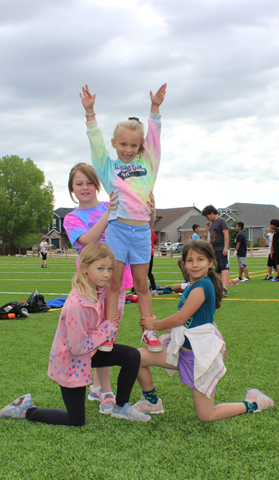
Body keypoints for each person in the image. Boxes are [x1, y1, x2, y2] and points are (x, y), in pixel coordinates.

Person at [0, 243, 151, 425]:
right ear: (85, 269)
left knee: (132, 356)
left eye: (110, 268)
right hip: (71, 360)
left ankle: (121, 406)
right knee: (76, 420)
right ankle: (26, 409)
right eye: (100, 268)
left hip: (90, 353)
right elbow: (78, 348)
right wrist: (107, 327)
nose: (107, 274)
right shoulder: (78, 304)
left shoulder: (96, 290)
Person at [134, 240, 274, 420]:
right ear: (183, 263)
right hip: (179, 353)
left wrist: (154, 325)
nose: (194, 264)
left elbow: (181, 318)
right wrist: (157, 324)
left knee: (206, 415)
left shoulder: (203, 286)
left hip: (198, 358)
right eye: (190, 260)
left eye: (200, 259)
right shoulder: (192, 286)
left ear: (210, 263)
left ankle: (254, 402)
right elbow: (186, 324)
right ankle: (152, 402)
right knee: (137, 358)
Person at [80, 83, 166, 352]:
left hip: (141, 233)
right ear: (115, 144)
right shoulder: (108, 168)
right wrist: (90, 113)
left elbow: (155, 139)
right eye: (123, 144)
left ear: (140, 146)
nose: (128, 148)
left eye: (134, 144)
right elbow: (95, 146)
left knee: (142, 284)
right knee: (114, 284)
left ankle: (149, 331)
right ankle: (107, 332)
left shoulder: (147, 165)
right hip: (117, 230)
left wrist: (155, 109)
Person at [62, 162, 132, 414]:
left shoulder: (110, 206)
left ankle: (98, 388)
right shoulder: (72, 218)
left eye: (89, 182)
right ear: (72, 189)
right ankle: (105, 391)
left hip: (116, 283)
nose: (85, 187)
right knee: (95, 336)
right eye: (78, 183)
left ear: (97, 184)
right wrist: (108, 213)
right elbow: (88, 240)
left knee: (107, 336)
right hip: (90, 288)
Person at [202, 205, 230, 295]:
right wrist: (207, 245)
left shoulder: (221, 221)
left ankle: (224, 288)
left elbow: (226, 234)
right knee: (217, 269)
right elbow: (211, 237)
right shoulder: (211, 223)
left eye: (207, 216)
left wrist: (226, 248)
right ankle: (219, 287)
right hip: (214, 249)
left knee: (224, 267)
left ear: (212, 213)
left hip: (222, 247)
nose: (207, 218)